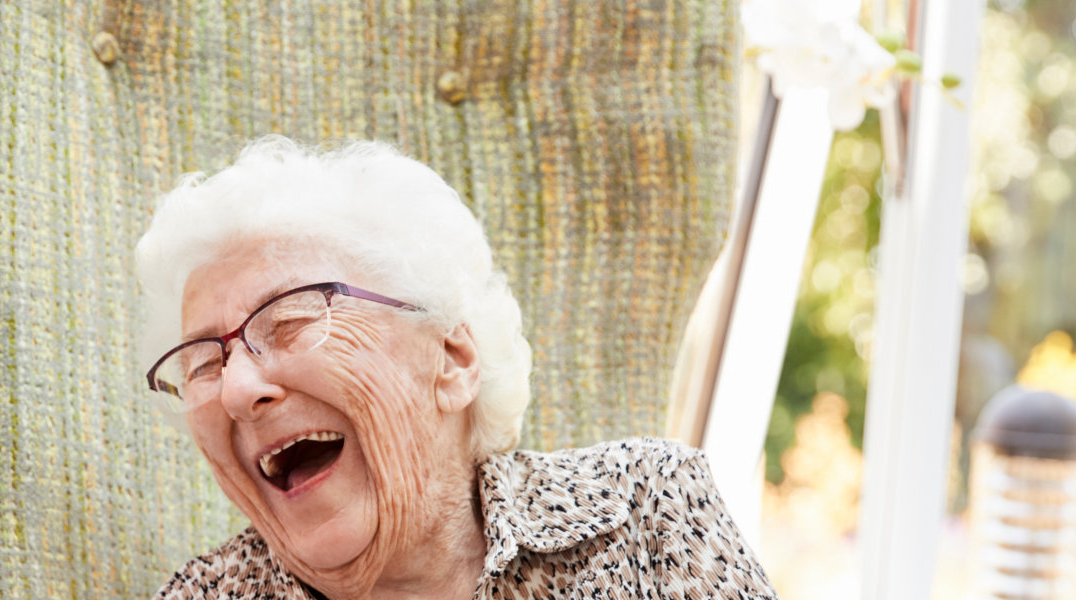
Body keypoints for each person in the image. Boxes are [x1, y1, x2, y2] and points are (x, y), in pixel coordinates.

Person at [135, 138, 776, 599]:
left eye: (292, 320)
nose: (237, 389)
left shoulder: (645, 512)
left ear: (451, 360)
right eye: (204, 363)